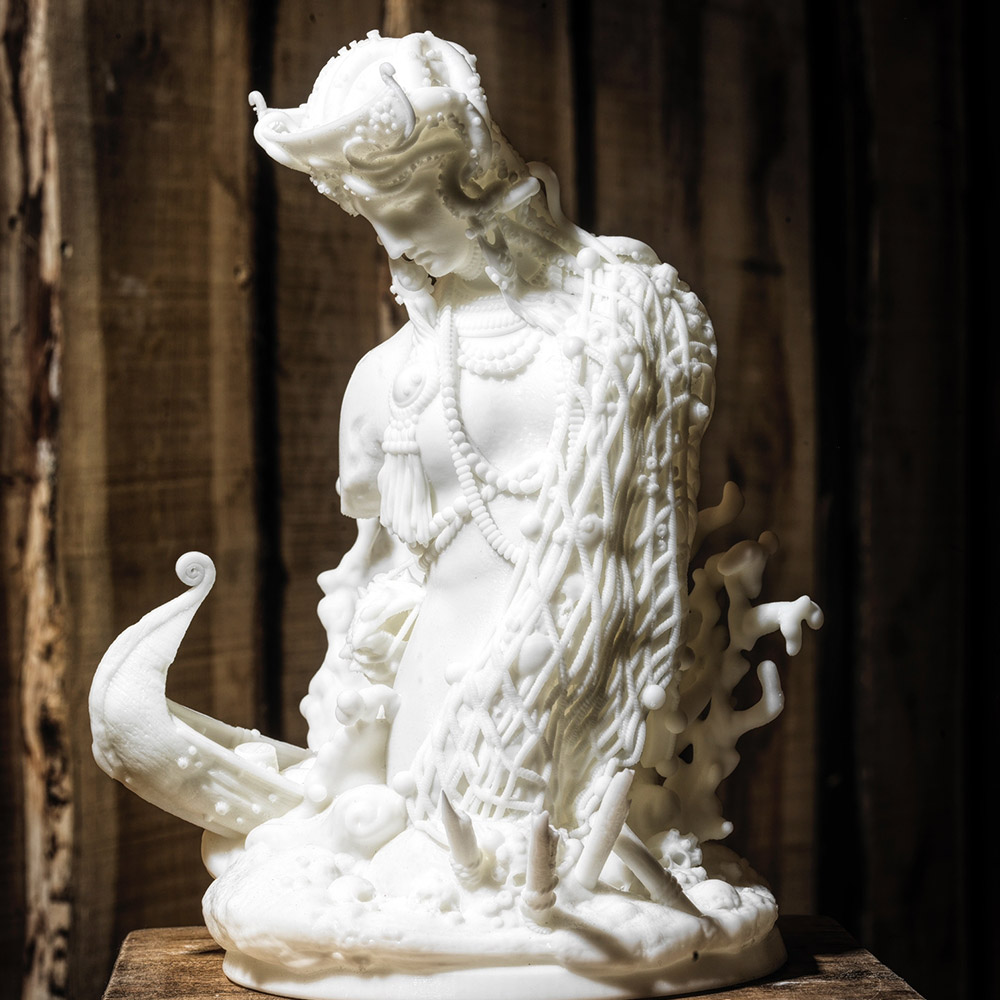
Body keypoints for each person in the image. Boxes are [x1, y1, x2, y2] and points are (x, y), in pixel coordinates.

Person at [252, 29, 716, 835]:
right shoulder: (390, 378)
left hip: (599, 699)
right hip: (438, 705)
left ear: (468, 174)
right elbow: (374, 570)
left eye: (403, 211)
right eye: (370, 219)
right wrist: (344, 732)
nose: (393, 244)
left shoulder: (625, 316)